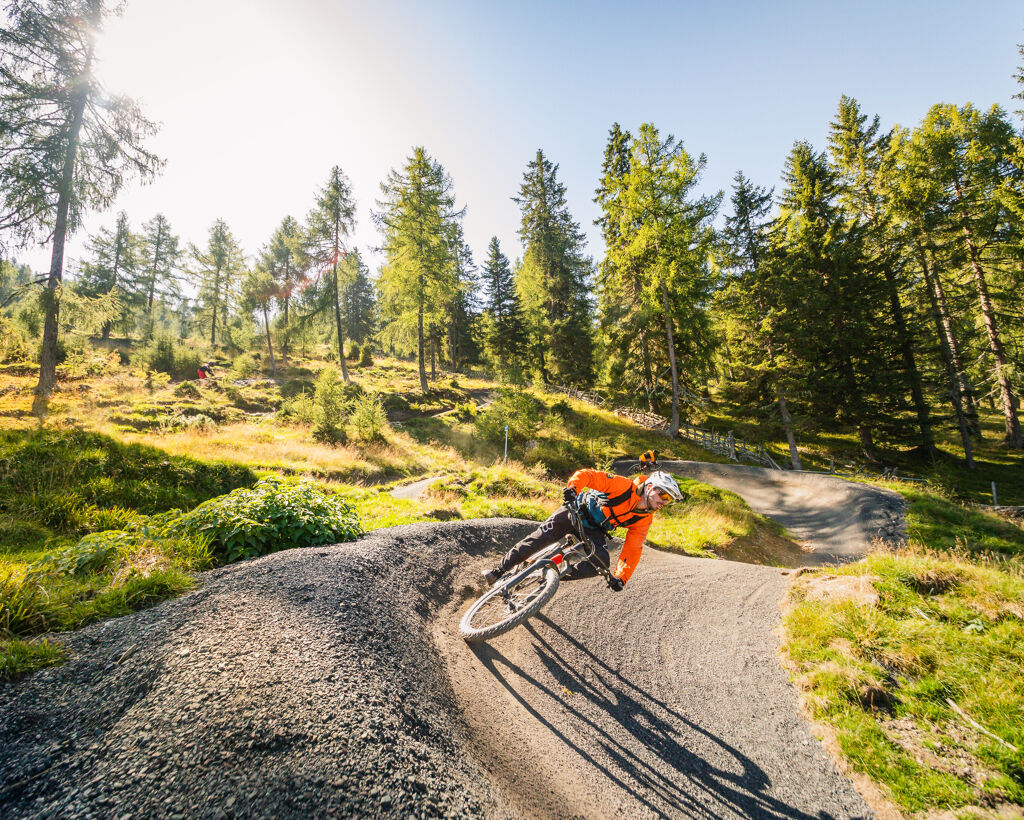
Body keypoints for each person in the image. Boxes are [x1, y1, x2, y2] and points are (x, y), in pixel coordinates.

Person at [482, 467, 686, 591]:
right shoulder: (624, 487)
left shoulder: (644, 519)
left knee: (602, 562)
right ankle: (498, 571)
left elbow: (632, 549)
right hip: (577, 510)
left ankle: (552, 575)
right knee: (541, 537)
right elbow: (588, 475)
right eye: (663, 496)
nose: (664, 502)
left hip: (595, 530)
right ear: (650, 487)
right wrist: (573, 489)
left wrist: (621, 577)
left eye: (668, 500)